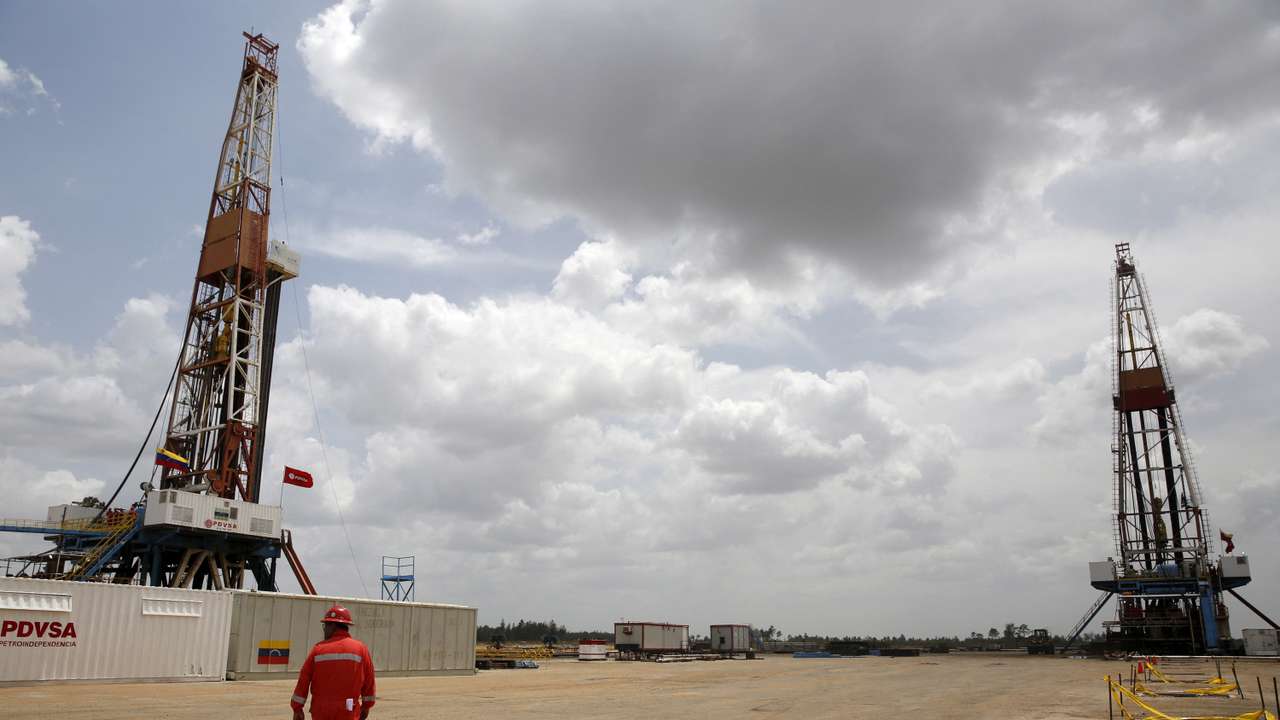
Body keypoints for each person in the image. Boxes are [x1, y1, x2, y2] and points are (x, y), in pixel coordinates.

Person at [291, 604, 377, 720]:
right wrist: (366, 706)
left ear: (333, 626)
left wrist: (297, 708)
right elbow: (369, 681)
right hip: (348, 710)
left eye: (325, 626)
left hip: (321, 712)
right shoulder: (360, 649)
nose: (325, 629)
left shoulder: (318, 649)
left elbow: (304, 680)